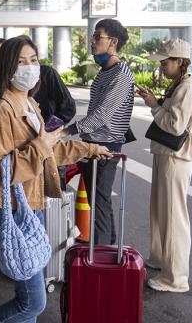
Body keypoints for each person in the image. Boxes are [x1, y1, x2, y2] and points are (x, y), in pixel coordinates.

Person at [0, 36, 110, 322]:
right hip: (9, 205)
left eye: (33, 60)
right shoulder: (1, 110)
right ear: (7, 68)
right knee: (32, 302)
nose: (30, 67)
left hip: (29, 201)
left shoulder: (31, 105)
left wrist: (90, 149)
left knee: (27, 300)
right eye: (21, 62)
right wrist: (42, 144)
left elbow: (50, 150)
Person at [138, 38, 192, 293]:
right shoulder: (178, 85)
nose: (162, 66)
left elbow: (175, 125)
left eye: (166, 61)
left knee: (173, 216)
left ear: (180, 62)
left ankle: (176, 278)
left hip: (176, 157)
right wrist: (156, 101)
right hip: (167, 154)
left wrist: (153, 106)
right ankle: (161, 258)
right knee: (160, 210)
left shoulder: (186, 88)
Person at [70, 18, 134, 245]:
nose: (93, 41)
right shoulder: (105, 71)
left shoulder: (120, 74)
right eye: (93, 37)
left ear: (113, 42)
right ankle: (107, 244)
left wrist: (68, 130)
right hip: (94, 143)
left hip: (106, 145)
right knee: (98, 198)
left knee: (99, 198)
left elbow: (103, 114)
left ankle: (102, 249)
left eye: (98, 37)